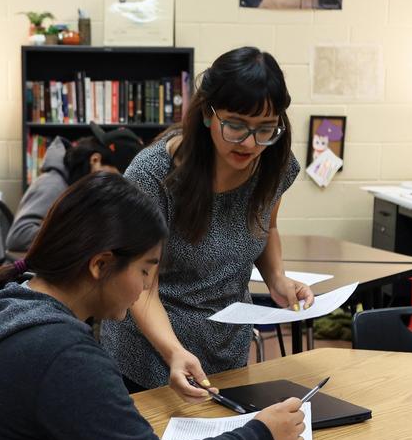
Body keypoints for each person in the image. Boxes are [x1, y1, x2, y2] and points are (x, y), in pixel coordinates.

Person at [0, 173, 306, 440]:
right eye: (145, 270)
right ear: (101, 265)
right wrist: (260, 436)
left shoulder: (11, 303)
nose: (146, 288)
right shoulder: (60, 354)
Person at [101, 46, 314, 400]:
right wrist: (173, 352)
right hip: (149, 355)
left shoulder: (275, 162)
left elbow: (267, 226)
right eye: (235, 125)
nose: (250, 143)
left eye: (265, 128)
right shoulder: (153, 176)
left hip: (226, 349)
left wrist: (278, 279)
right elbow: (140, 286)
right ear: (206, 114)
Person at [5, 124, 143, 252]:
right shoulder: (53, 185)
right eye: (115, 178)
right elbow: (18, 236)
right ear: (95, 160)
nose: (116, 188)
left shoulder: (85, 190)